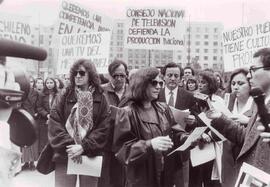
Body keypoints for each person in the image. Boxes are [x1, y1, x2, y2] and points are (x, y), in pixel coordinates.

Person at [113, 67, 187, 187]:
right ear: (141, 84)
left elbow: (175, 132)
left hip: (165, 176)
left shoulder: (164, 108)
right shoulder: (127, 113)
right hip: (141, 179)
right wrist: (149, 145)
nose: (159, 86)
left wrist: (187, 138)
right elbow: (123, 152)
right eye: (154, 83)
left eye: (160, 83)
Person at [206, 48, 270, 177]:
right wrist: (220, 118)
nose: (248, 75)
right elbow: (246, 139)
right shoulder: (262, 103)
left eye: (253, 69)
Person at [47, 59, 110, 187]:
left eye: (81, 73)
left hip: (90, 155)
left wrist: (83, 147)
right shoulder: (63, 95)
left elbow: (104, 128)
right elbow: (54, 124)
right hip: (66, 154)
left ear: (90, 75)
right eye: (75, 73)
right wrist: (72, 147)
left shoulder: (101, 97)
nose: (77, 76)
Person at [158, 62, 196, 187]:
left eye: (176, 75)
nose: (173, 78)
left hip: (180, 147)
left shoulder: (189, 96)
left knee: (181, 182)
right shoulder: (156, 95)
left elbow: (196, 120)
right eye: (169, 75)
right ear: (163, 76)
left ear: (180, 78)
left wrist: (193, 120)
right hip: (161, 146)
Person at [190, 70, 227, 187]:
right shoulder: (192, 99)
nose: (199, 85)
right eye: (199, 82)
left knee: (210, 180)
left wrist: (210, 135)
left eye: (203, 82)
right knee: (194, 180)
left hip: (213, 146)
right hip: (196, 145)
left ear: (211, 85)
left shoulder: (219, 101)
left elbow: (226, 124)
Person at [220, 68, 255, 187]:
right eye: (233, 83)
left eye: (241, 83)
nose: (236, 87)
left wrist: (248, 121)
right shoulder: (226, 103)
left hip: (247, 159)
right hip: (227, 158)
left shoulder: (257, 104)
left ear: (250, 85)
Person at [99, 59, 128, 187]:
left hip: (123, 143)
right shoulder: (101, 91)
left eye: (122, 75)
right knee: (103, 179)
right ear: (110, 75)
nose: (119, 79)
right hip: (104, 142)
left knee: (120, 180)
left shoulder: (133, 92)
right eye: (116, 75)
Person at [21, 75, 39, 170]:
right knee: (24, 140)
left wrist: (37, 113)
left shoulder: (37, 93)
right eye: (29, 81)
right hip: (24, 118)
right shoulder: (22, 92)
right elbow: (19, 105)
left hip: (34, 118)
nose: (30, 83)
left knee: (33, 140)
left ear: (34, 83)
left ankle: (32, 162)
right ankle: (25, 162)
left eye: (32, 81)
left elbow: (39, 105)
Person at [36, 77, 58, 154]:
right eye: (47, 83)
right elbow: (39, 107)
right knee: (43, 141)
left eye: (51, 83)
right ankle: (42, 159)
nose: (49, 85)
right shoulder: (42, 94)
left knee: (53, 140)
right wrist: (46, 114)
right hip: (44, 121)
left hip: (55, 121)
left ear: (54, 84)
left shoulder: (58, 94)